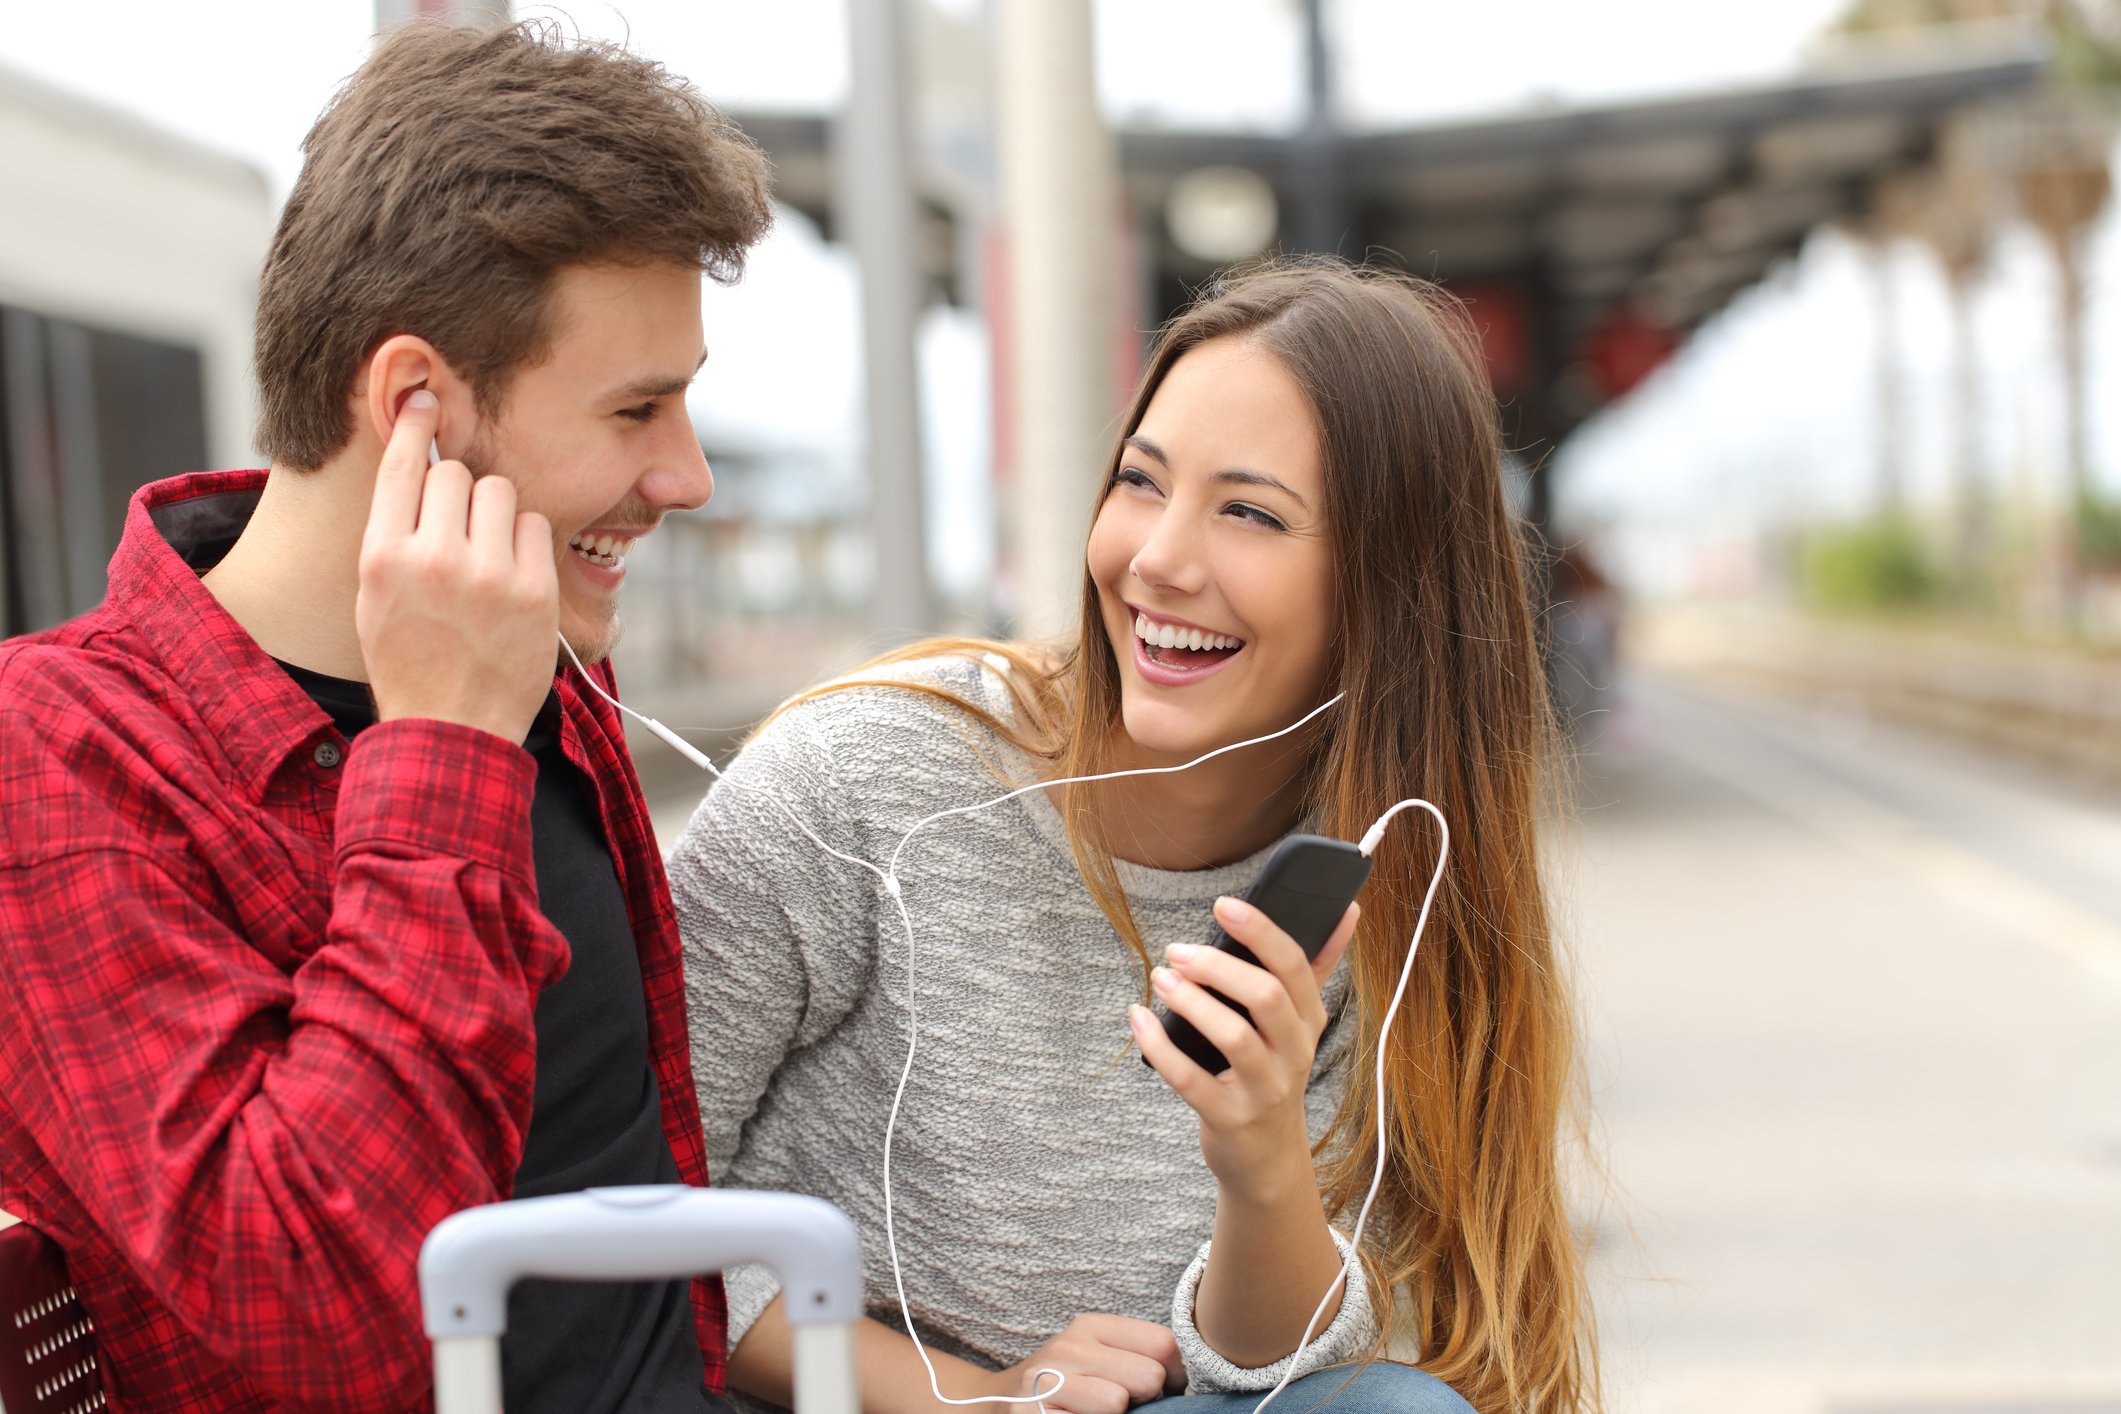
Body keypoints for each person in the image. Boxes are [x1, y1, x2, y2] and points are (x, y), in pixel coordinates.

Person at [669, 260, 1599, 1414]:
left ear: (1387, 592)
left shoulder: (1398, 896)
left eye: (1249, 512)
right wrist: (970, 1396)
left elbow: (1289, 1379)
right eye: (1140, 483)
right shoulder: (858, 784)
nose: (1158, 558)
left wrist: (1258, 1158)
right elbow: (623, 1194)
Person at [0, 21, 771, 1412]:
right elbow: (316, 1317)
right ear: (417, 402)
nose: (687, 476)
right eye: (637, 408)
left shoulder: (544, 665)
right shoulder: (58, 755)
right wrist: (449, 757)